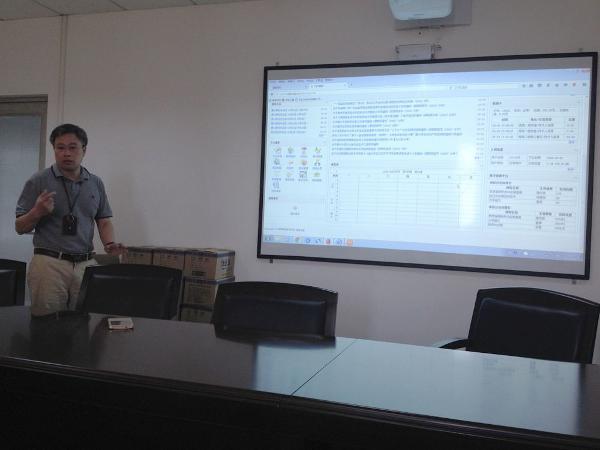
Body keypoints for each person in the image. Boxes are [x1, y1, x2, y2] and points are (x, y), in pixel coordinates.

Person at [15, 123, 126, 316]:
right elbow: (19, 227)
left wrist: (109, 243)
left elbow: (104, 220)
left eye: (73, 147)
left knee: (84, 323)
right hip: (49, 264)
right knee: (47, 324)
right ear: (54, 150)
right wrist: (37, 212)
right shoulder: (38, 180)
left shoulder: (95, 182)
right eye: (60, 147)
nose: (66, 153)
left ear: (84, 150)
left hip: (85, 264)